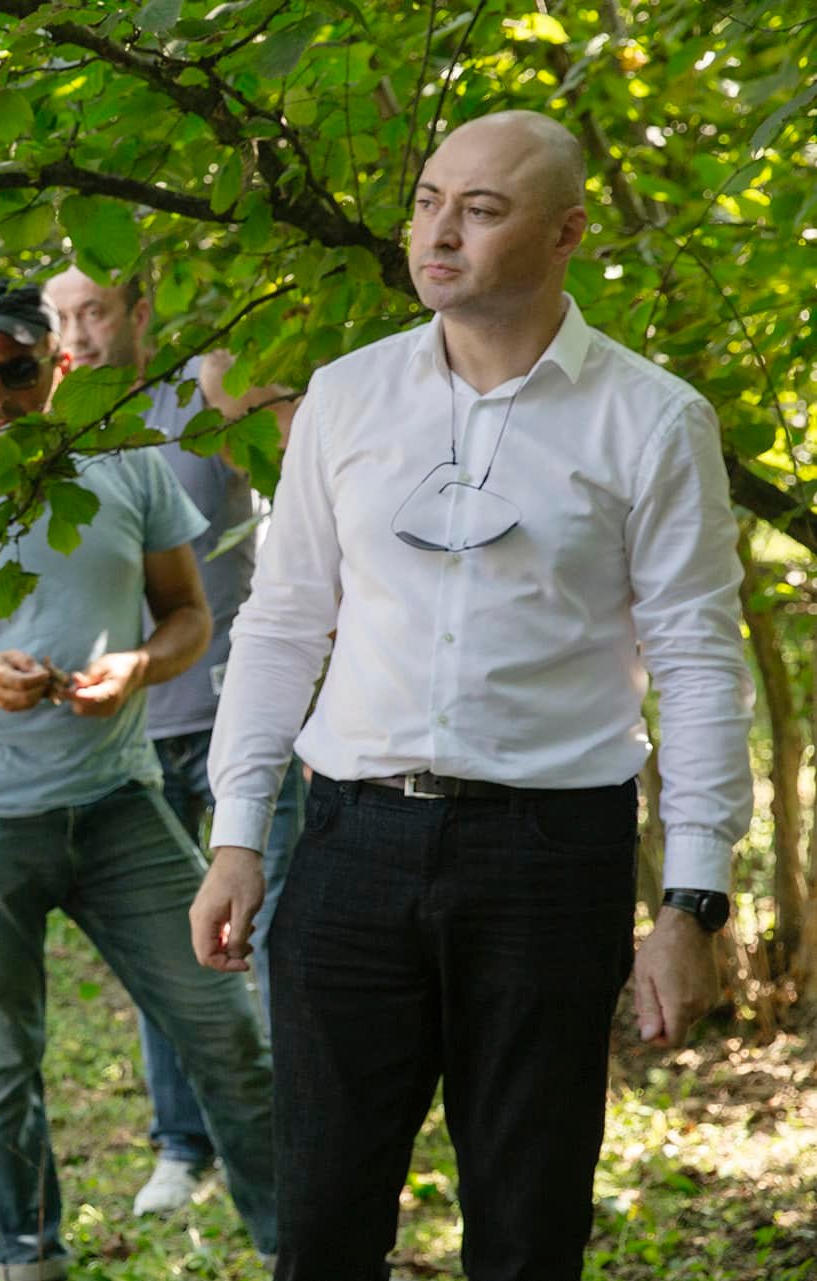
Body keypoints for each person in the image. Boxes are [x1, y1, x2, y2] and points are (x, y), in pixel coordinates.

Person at [191, 110, 752, 1281]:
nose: (438, 232)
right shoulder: (346, 396)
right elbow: (282, 622)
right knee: (322, 1225)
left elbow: (699, 663)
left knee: (528, 1230)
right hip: (349, 846)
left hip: (549, 860)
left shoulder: (651, 419)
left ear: (566, 235)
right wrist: (237, 836)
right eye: (428, 201)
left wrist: (690, 904)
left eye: (481, 211)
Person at [0, 279, 277, 1280]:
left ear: (59, 365)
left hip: (116, 803)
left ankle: (294, 1245)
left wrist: (136, 667)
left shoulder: (125, 468)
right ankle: (29, 1259)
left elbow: (187, 616)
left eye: (19, 370)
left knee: (225, 1029)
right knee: (3, 1059)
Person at [43, 265, 305, 1218]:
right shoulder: (58, 420)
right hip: (135, 730)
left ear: (140, 311)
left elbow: (320, 475)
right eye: (59, 317)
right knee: (172, 947)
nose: (77, 333)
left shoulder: (204, 386)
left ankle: (289, 1139)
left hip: (246, 721)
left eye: (94, 311)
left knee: (272, 939)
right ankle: (183, 1146)